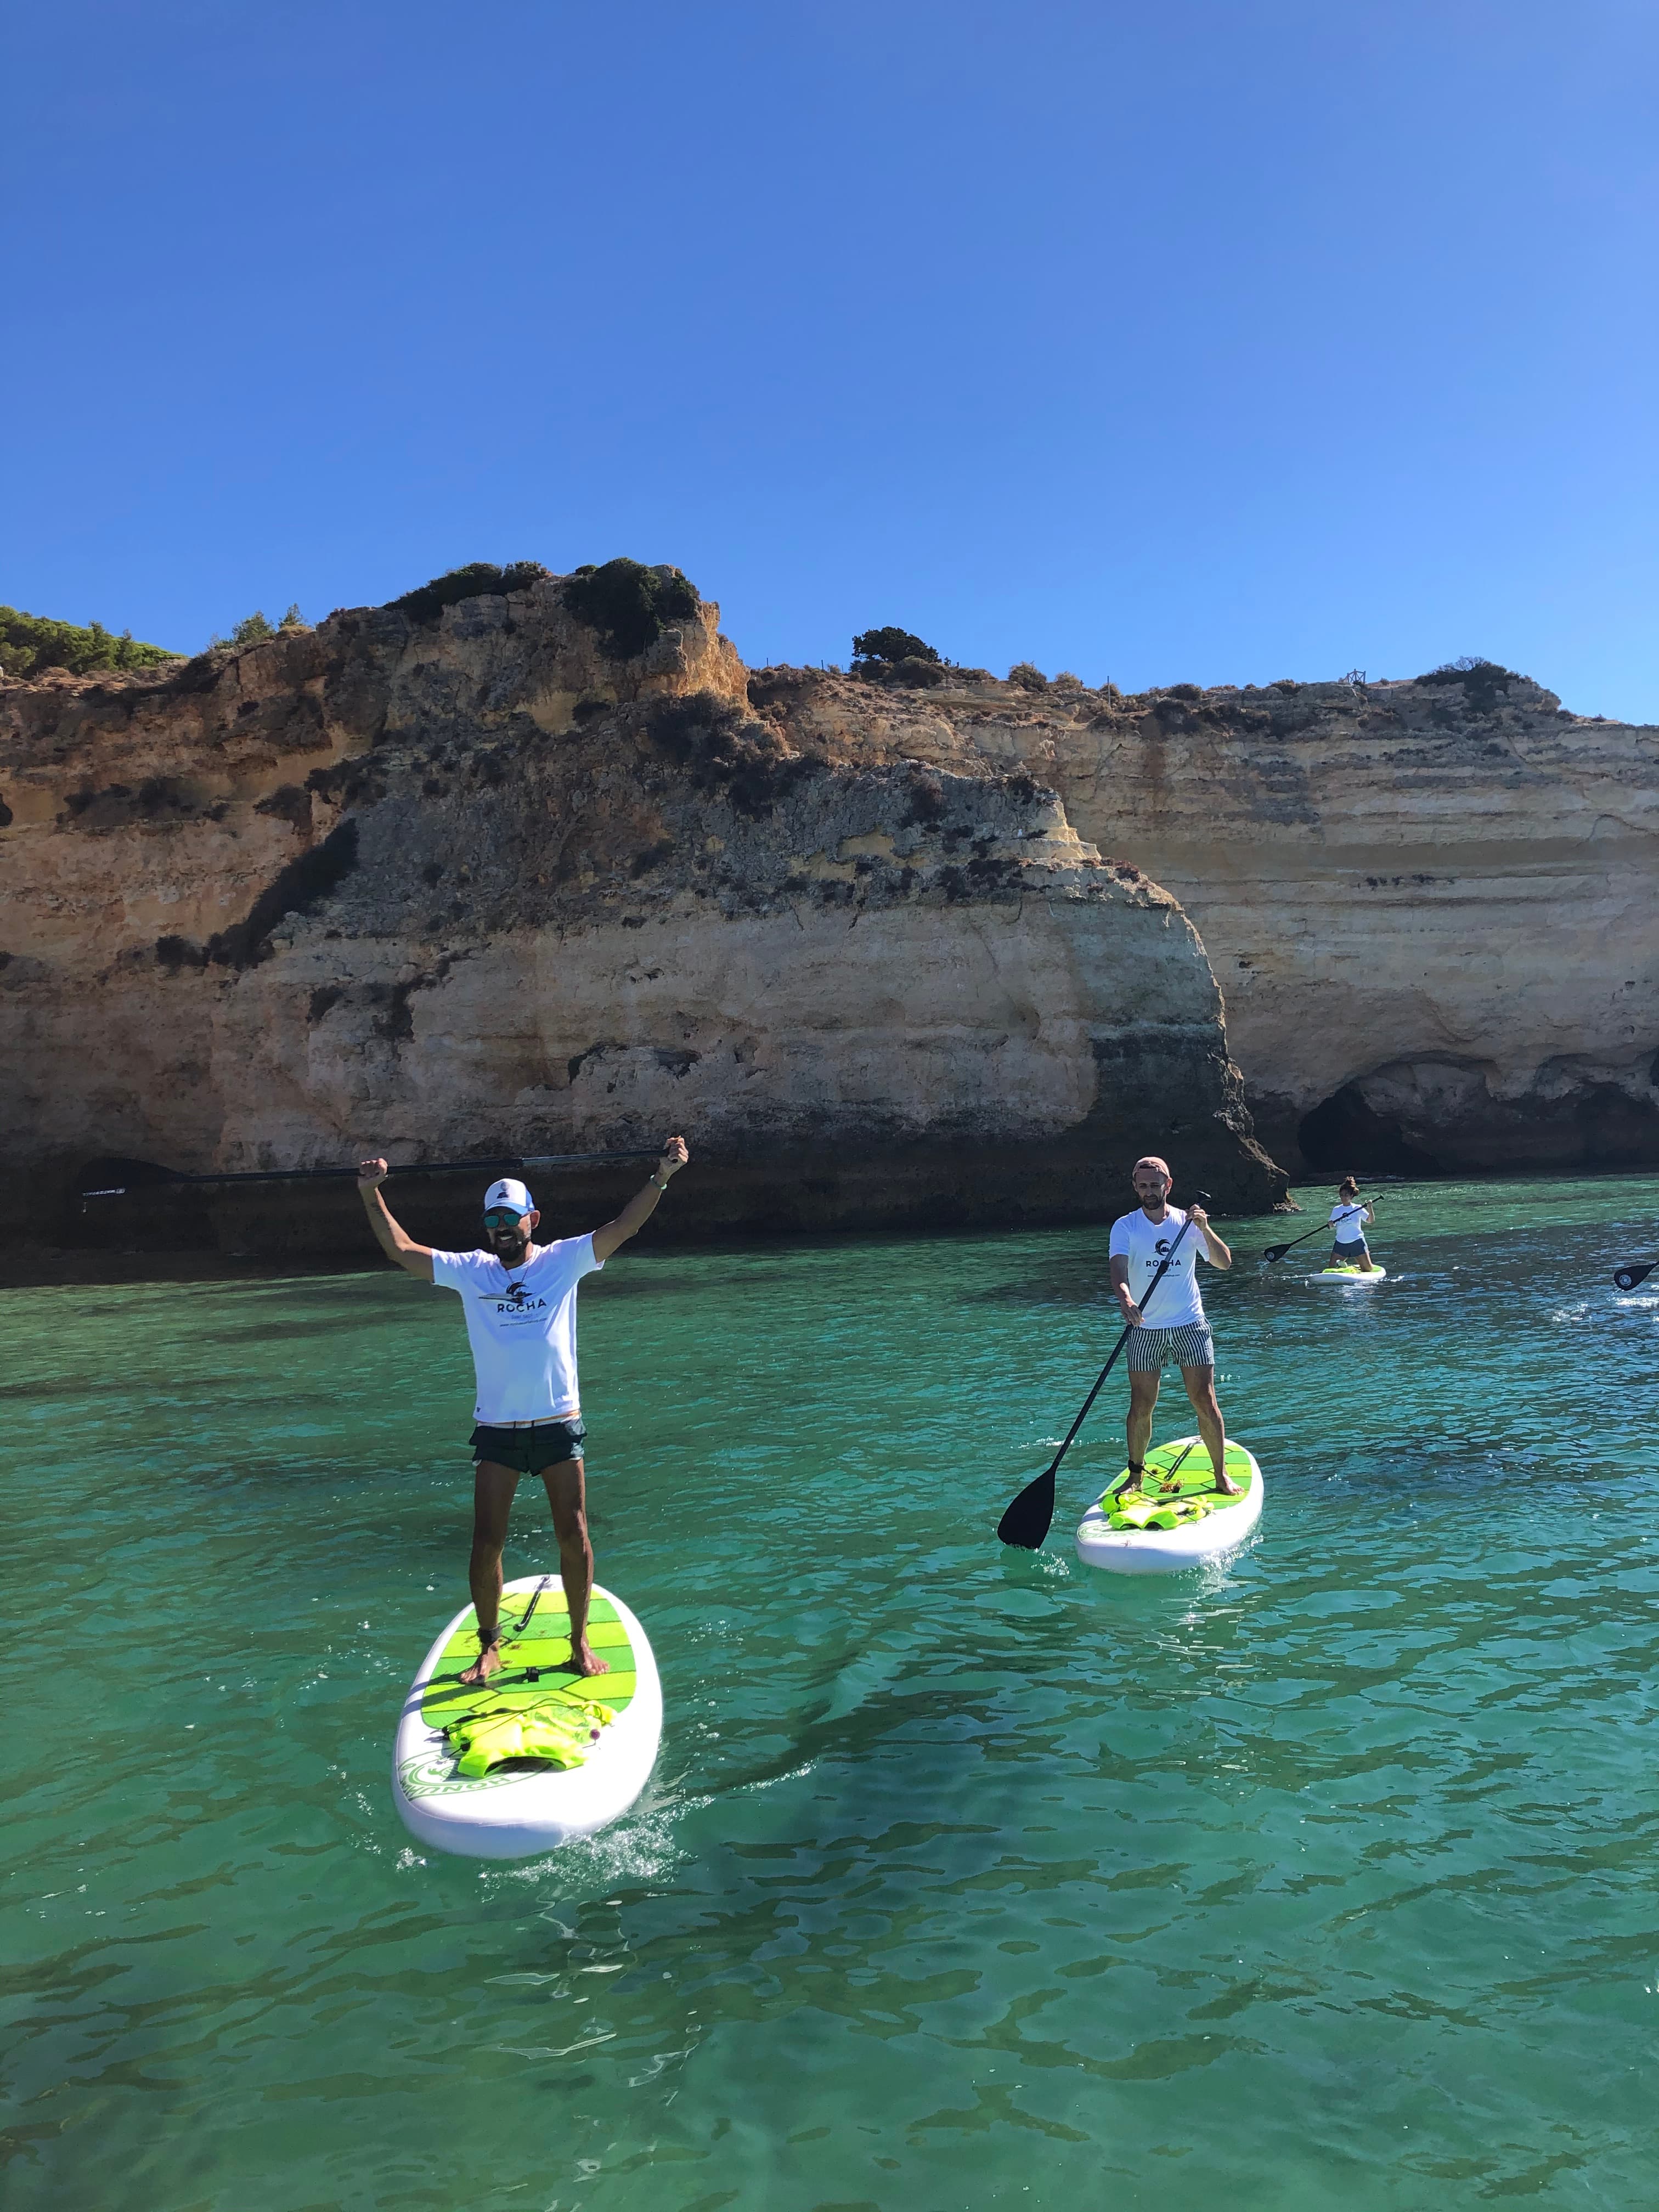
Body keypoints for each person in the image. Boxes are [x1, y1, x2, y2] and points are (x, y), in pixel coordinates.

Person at [356, 1138, 690, 1684]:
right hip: (498, 1429)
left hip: (557, 1421)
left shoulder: (563, 1261)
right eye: (493, 1220)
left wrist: (662, 1176)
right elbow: (402, 1250)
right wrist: (371, 1193)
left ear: (532, 1219)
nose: (502, 1228)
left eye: (511, 1218)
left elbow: (624, 1227)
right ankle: (489, 1646)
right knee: (486, 1540)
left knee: (574, 1533)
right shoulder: (472, 1271)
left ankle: (578, 1641)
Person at [1108, 1154, 1242, 1496]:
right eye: (1143, 1186)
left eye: (1155, 1185)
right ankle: (1135, 1477)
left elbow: (1224, 1263)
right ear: (1135, 1187)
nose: (1149, 1191)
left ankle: (1220, 1475)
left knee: (1204, 1400)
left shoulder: (1188, 1222)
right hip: (1145, 1328)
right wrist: (1126, 1300)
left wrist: (1205, 1228)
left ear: (1168, 1185)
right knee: (1141, 1405)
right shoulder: (1125, 1226)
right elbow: (1118, 1271)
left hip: (1190, 1324)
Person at [1327, 1176, 1376, 1272]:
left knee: (1368, 1270)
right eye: (1342, 1195)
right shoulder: (1336, 1210)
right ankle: (1342, 1266)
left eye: (1346, 1195)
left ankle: (1354, 1266)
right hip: (1341, 1243)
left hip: (1357, 1242)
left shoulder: (1358, 1208)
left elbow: (1370, 1221)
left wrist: (1370, 1207)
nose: (1343, 1198)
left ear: (1351, 1196)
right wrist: (1330, 1225)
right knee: (1331, 1270)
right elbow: (1332, 1226)